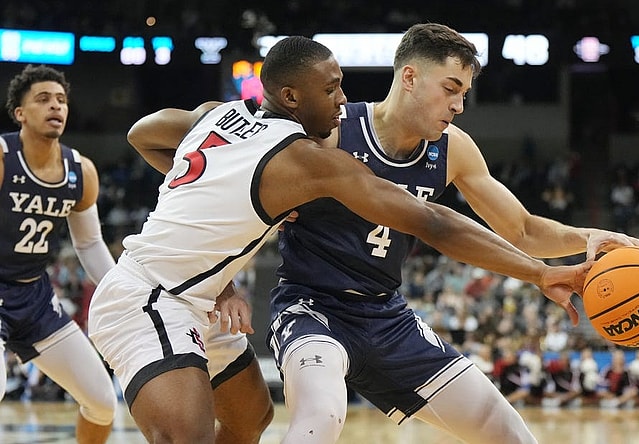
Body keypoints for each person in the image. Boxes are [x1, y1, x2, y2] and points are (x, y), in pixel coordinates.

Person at [87, 36, 597, 444]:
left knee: (249, 420)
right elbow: (433, 222)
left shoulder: (219, 113)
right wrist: (538, 272)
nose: (342, 99)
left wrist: (216, 246)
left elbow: (143, 132)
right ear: (291, 97)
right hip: (153, 296)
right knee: (192, 436)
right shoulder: (309, 159)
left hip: (235, 300)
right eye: (331, 89)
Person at [265, 23, 639, 443]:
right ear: (409, 77)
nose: (459, 105)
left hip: (387, 317)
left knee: (511, 433)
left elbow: (521, 228)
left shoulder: (452, 148)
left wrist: (586, 236)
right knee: (320, 418)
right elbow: (237, 185)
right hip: (311, 309)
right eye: (450, 88)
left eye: (463, 92)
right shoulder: (332, 130)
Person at [1, 64, 117, 443]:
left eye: (62, 100)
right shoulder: (3, 159)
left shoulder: (80, 170)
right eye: (43, 99)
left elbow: (88, 244)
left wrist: (121, 289)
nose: (56, 106)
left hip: (34, 296)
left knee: (101, 401)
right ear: (19, 113)